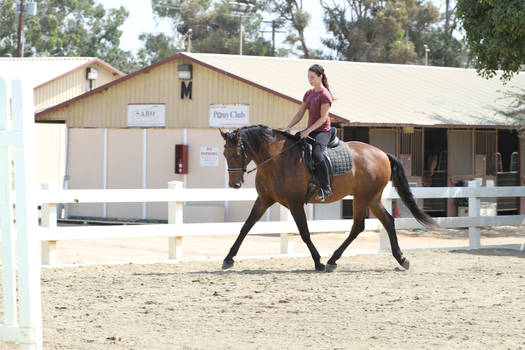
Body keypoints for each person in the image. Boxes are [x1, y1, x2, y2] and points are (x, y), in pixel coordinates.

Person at [283, 64, 334, 201]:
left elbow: (323, 118)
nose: (310, 80)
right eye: (308, 77)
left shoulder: (325, 95)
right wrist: (289, 126)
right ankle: (309, 181)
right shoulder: (308, 93)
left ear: (320, 77)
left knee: (317, 155)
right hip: (310, 130)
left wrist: (308, 131)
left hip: (323, 131)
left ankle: (325, 187)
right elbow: (300, 113)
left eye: (312, 77)